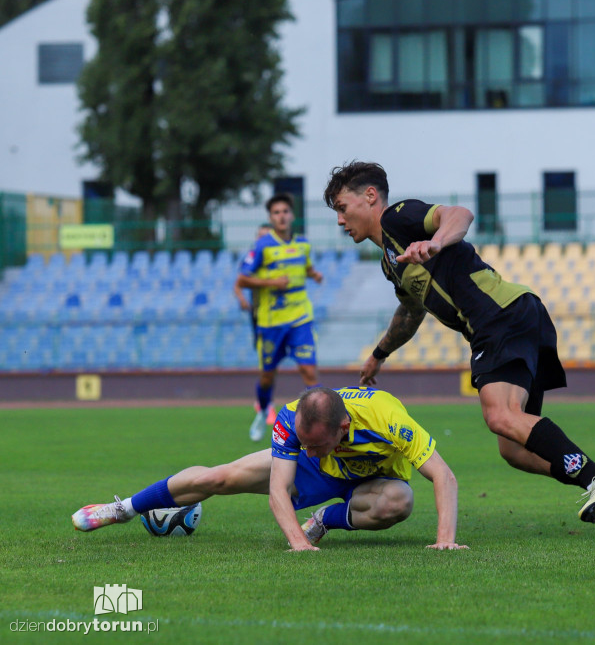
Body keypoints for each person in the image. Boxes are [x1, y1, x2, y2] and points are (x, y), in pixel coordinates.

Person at [321, 161, 595, 533]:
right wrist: (379, 354)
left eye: (342, 207)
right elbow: (410, 312)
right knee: (513, 449)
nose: (340, 220)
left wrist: (436, 241)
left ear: (370, 196)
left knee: (500, 416)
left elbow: (460, 214)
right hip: (514, 316)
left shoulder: (398, 216)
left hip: (499, 316)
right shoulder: (391, 261)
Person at [71, 386, 467, 551]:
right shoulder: (294, 417)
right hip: (326, 474)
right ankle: (123, 510)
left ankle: (325, 520)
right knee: (218, 477)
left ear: (342, 427)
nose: (306, 451)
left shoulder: (387, 417)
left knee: (400, 501)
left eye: (314, 445)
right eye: (303, 443)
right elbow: (280, 489)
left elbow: (443, 475)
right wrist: (297, 543)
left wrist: (445, 540)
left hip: (374, 479)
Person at [235, 195, 323, 442]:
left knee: (309, 371)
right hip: (271, 323)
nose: (282, 216)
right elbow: (242, 280)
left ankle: (315, 424)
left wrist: (313, 274)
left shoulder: (304, 245)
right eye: (276, 212)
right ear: (270, 217)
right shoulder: (263, 246)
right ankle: (263, 411)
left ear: (292, 215)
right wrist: (272, 282)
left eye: (285, 211)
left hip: (300, 319)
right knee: (267, 377)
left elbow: (305, 267)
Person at [234, 223, 278, 425]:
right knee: (266, 361)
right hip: (260, 316)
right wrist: (242, 299)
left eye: (266, 236)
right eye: (260, 236)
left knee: (272, 362)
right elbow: (238, 283)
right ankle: (266, 404)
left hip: (280, 315)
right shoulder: (252, 258)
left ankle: (264, 401)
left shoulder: (279, 257)